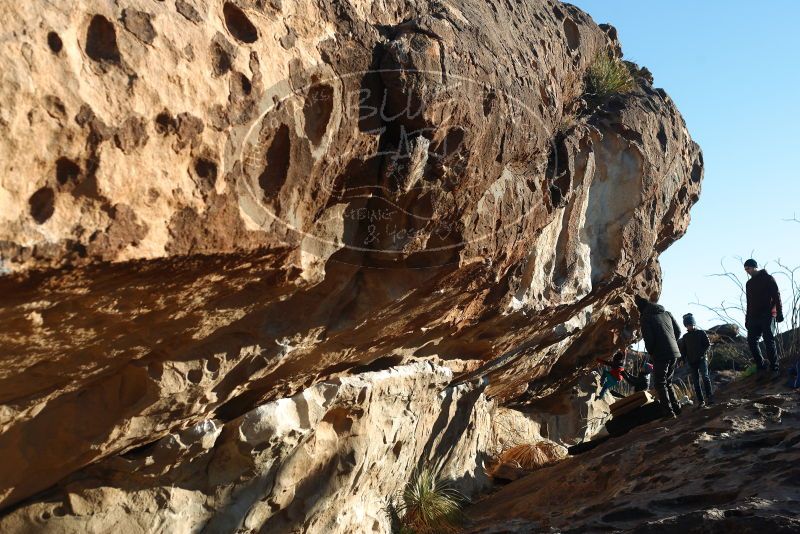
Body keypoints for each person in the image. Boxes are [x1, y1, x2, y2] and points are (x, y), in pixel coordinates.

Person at [635, 295, 682, 418]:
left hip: (661, 354)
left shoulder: (646, 318)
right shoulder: (667, 313)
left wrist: (652, 351)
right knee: (668, 382)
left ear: (641, 308)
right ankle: (677, 408)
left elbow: (648, 339)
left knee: (660, 384)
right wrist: (672, 343)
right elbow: (678, 331)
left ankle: (669, 413)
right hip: (674, 352)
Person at [743, 259, 783, 372]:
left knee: (768, 339)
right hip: (753, 317)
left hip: (768, 314)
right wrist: (747, 318)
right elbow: (749, 302)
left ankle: (774, 368)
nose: (747, 271)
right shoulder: (749, 284)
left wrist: (779, 313)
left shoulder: (768, 278)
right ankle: (761, 367)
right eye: (745, 269)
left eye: (748, 268)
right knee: (751, 341)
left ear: (755, 267)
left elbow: (777, 296)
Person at [678, 313, 714, 407]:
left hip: (702, 359)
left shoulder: (701, 333)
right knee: (696, 382)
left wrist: (703, 354)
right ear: (686, 326)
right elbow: (684, 350)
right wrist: (682, 359)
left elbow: (708, 344)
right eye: (688, 325)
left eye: (692, 324)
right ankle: (701, 401)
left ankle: (710, 397)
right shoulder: (685, 337)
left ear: (694, 324)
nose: (690, 326)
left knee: (705, 377)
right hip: (692, 361)